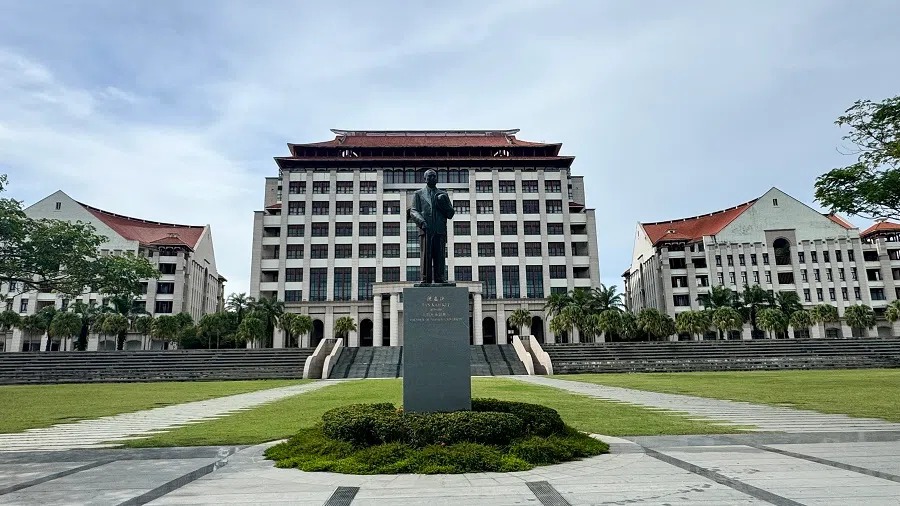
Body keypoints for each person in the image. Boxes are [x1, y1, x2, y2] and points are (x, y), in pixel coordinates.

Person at [409, 169, 455, 283]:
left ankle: (440, 278)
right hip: (425, 229)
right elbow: (413, 211)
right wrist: (421, 222)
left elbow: (450, 214)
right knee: (426, 255)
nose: (433, 178)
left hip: (439, 229)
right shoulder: (418, 194)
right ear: (425, 179)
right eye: (430, 176)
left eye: (434, 176)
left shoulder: (443, 194)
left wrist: (444, 204)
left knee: (440, 255)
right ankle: (425, 279)